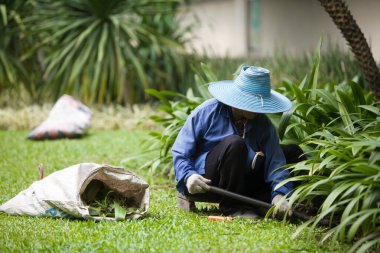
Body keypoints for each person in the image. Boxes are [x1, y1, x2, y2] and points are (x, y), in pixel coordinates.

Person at [172, 66, 295, 218]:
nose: (256, 109)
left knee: (293, 152)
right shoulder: (207, 112)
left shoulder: (263, 124)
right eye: (252, 102)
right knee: (236, 144)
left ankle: (264, 203)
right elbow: (180, 151)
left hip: (244, 181)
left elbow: (275, 160)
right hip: (208, 181)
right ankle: (232, 207)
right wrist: (188, 175)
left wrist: (281, 193)